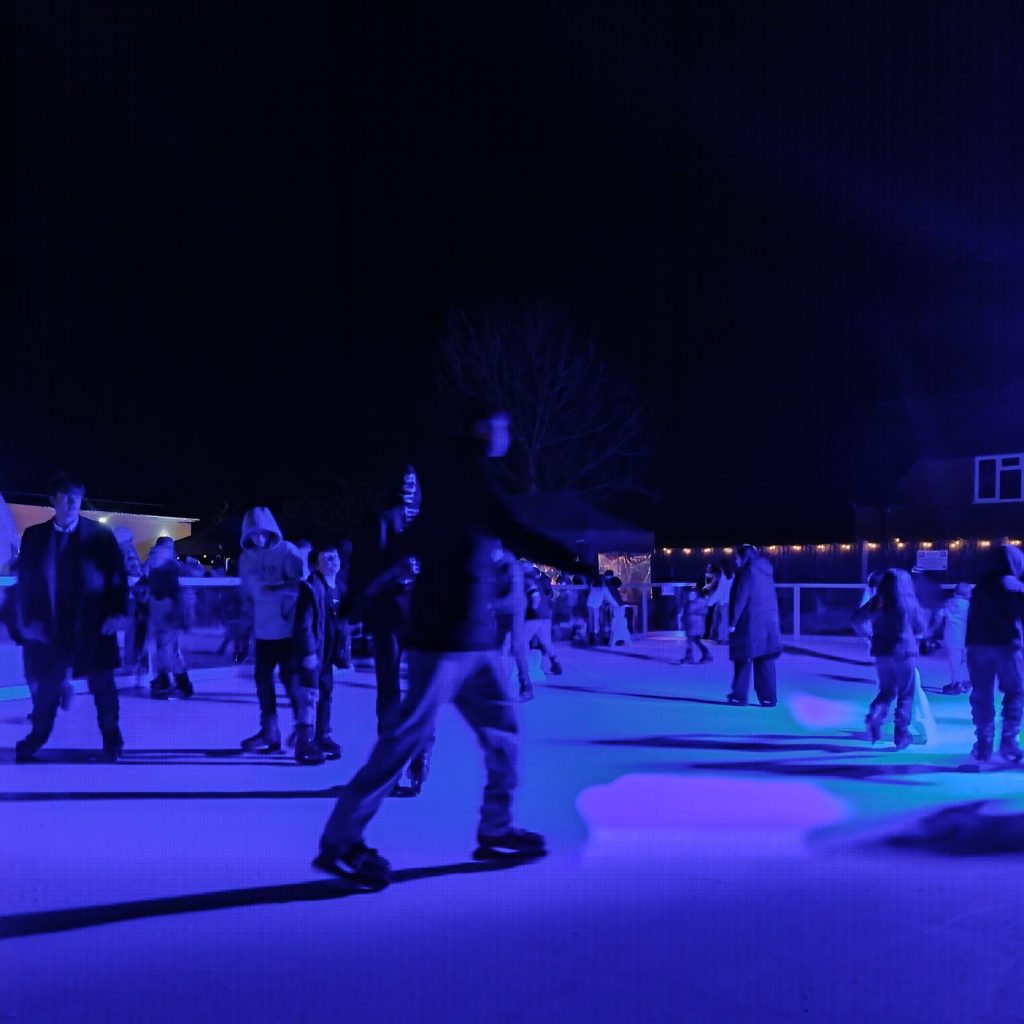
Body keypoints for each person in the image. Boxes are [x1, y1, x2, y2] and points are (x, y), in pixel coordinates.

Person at [313, 399, 596, 887]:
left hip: (476, 643)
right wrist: (577, 563)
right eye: (504, 425)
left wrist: (360, 593)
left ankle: (496, 828)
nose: (510, 434)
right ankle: (341, 841)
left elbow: (406, 545)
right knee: (403, 740)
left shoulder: (464, 481)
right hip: (442, 645)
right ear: (484, 429)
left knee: (503, 735)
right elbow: (514, 534)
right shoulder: (464, 485)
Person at [14, 472, 128, 763]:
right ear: (53, 500)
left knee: (103, 687)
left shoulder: (100, 535)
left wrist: (118, 612)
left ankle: (112, 739)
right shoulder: (35, 536)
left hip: (94, 625)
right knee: (47, 687)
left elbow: (117, 576)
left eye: (76, 496)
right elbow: (26, 581)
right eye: (65, 496)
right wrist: (28, 621)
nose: (72, 502)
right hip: (52, 628)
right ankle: (38, 736)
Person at [237, 507, 304, 753]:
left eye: (262, 532)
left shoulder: (287, 551)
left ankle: (303, 730)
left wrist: (273, 590)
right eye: (253, 534)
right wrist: (245, 626)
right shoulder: (246, 559)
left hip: (287, 632)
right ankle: (269, 732)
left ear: (270, 530)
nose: (258, 538)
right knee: (263, 685)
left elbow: (301, 586)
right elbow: (248, 594)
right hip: (262, 633)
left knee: (292, 682)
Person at [852, 568, 929, 750]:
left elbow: (856, 619)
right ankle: (901, 733)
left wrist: (868, 634)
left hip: (882, 651)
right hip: (904, 652)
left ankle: (875, 714)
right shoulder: (909, 603)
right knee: (906, 694)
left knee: (886, 690)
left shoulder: (878, 601)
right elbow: (921, 627)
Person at [964, 544, 1024, 763]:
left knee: (982, 693)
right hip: (1007, 646)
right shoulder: (1015, 586)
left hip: (977, 646)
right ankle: (1009, 741)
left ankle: (984, 742)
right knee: (1015, 691)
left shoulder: (980, 586)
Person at [290, 542, 346, 764]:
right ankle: (303, 744)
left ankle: (322, 736)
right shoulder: (311, 588)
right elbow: (303, 624)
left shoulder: (338, 586)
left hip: (328, 656)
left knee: (326, 695)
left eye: (336, 556)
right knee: (310, 696)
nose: (334, 560)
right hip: (313, 655)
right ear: (315, 565)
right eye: (328, 558)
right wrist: (308, 652)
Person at [725, 544, 782, 707]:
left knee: (742, 658)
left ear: (744, 556)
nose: (735, 561)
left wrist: (732, 622)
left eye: (737, 557)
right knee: (765, 659)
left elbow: (740, 597)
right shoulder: (766, 571)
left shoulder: (746, 572)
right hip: (769, 623)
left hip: (750, 623)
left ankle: (739, 695)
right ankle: (768, 697)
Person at [143, 536, 194, 699]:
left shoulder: (162, 568)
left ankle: (178, 684)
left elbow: (174, 593)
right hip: (163, 614)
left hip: (164, 614)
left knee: (167, 651)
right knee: (165, 650)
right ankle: (169, 682)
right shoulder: (168, 568)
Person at [936, 582, 971, 695]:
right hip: (966, 637)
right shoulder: (968, 605)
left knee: (955, 661)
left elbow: (939, 616)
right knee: (965, 661)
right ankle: (965, 682)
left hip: (952, 637)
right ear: (966, 594)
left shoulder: (948, 603)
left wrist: (932, 629)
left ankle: (956, 684)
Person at [680, 587, 712, 664]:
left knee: (689, 641)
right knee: (696, 641)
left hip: (696, 626)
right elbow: (685, 615)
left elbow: (705, 611)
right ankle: (706, 654)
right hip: (690, 626)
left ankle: (689, 658)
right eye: (689, 594)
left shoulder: (700, 602)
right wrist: (683, 622)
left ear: (696, 595)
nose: (690, 596)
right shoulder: (688, 603)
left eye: (692, 594)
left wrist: (695, 610)